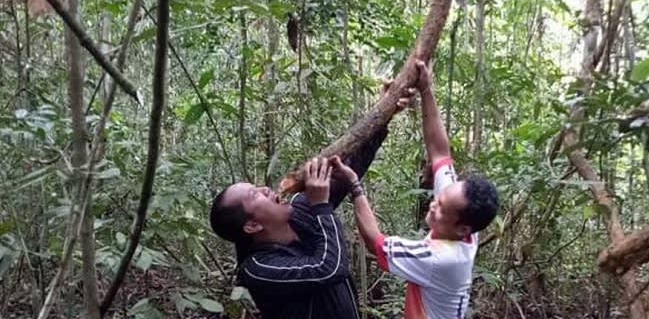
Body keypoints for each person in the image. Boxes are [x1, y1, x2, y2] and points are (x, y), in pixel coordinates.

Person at [209, 86, 410, 319]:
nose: (265, 188)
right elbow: (329, 269)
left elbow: (349, 170)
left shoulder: (300, 210)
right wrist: (322, 207)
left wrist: (384, 113)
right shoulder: (260, 269)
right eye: (255, 195)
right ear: (252, 225)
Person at [333, 60, 499, 319]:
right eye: (440, 199)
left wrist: (354, 186)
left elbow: (375, 243)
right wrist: (426, 90)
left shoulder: (441, 258)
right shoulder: (463, 223)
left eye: (443, 208)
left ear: (463, 228)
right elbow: (439, 152)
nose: (435, 203)